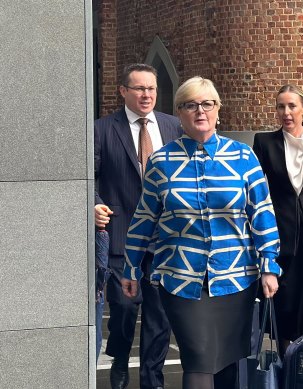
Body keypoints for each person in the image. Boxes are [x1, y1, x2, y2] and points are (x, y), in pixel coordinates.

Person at [121, 76, 281, 389]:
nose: (200, 111)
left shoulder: (243, 158)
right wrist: (130, 266)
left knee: (228, 364)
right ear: (179, 113)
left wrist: (269, 266)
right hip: (180, 279)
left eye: (207, 104)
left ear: (218, 110)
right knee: (198, 359)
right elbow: (144, 218)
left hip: (236, 277)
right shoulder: (161, 162)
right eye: (190, 105)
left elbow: (262, 214)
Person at [94, 63, 182, 389]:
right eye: (139, 88)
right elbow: (88, 176)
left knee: (159, 319)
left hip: (165, 240)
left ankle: (151, 380)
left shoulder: (174, 127)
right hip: (121, 237)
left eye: (152, 89)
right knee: (124, 310)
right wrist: (93, 203)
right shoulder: (103, 129)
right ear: (123, 92)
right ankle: (119, 358)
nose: (146, 95)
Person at [253, 84, 303, 355]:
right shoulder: (265, 142)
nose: (286, 112)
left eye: (291, 106)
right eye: (280, 106)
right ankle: (288, 362)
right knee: (286, 301)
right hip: (281, 233)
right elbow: (255, 188)